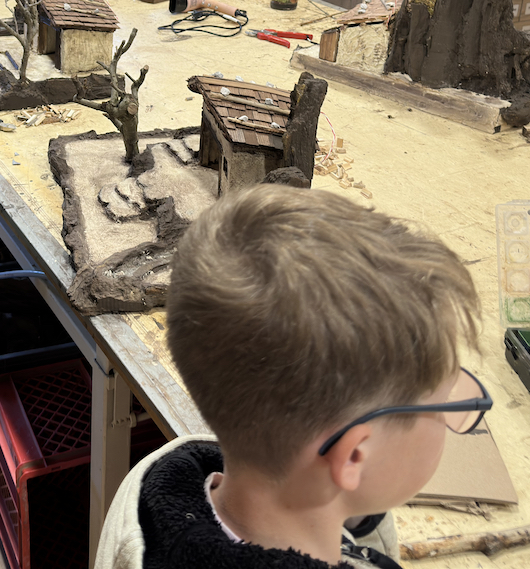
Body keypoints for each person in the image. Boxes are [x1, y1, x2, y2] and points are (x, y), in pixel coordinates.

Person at [95, 186, 488, 569]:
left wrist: (355, 516)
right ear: (354, 455)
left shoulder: (153, 494)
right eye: (444, 406)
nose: (450, 417)